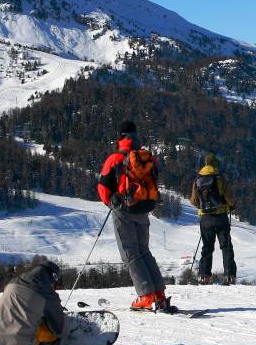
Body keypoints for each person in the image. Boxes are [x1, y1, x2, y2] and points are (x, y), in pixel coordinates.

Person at [97, 120, 172, 312]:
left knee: (130, 254)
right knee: (144, 251)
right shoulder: (147, 157)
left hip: (124, 210)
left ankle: (147, 296)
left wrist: (112, 202)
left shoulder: (115, 158)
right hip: (143, 209)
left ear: (121, 137)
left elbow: (103, 188)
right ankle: (159, 295)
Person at [190, 153, 237, 285]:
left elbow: (193, 200)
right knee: (226, 247)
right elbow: (230, 198)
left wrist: (202, 207)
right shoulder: (219, 178)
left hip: (205, 218)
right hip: (221, 216)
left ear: (205, 163)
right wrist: (231, 205)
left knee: (207, 247)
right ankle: (229, 276)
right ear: (215, 163)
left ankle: (204, 276)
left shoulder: (198, 179)